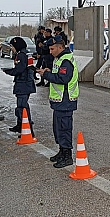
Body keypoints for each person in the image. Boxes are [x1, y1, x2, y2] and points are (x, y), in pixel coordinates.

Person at [35, 35, 79, 168]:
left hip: (65, 101)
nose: (50, 51)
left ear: (60, 47)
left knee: (64, 128)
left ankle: (67, 156)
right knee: (58, 128)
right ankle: (61, 151)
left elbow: (62, 79)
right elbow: (59, 74)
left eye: (52, 48)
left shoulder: (66, 60)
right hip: (60, 102)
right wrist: (49, 71)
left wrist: (46, 75)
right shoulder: (59, 59)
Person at [2, 37, 37, 133]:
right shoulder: (26, 53)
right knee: (21, 106)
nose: (11, 48)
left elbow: (19, 70)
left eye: (12, 46)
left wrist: (8, 71)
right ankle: (20, 125)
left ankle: (28, 129)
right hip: (27, 83)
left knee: (22, 107)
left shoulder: (21, 55)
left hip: (23, 84)